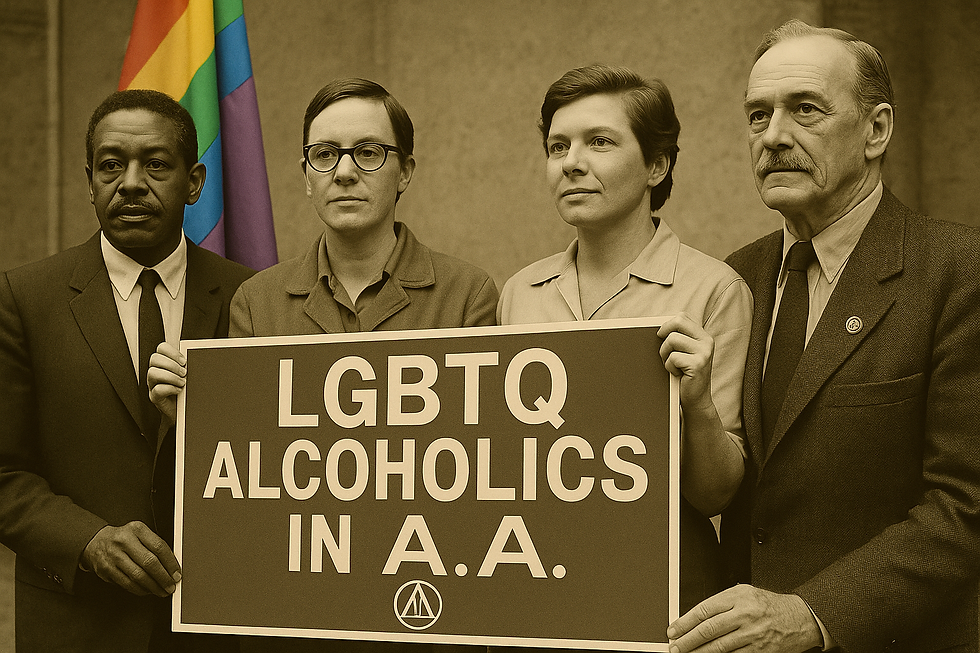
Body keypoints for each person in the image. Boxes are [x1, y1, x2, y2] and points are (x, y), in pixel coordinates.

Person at [150, 78, 497, 652]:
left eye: (368, 152)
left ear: (405, 171)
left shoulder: (468, 295)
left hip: (423, 618)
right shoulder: (256, 303)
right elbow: (242, 475)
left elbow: (484, 472)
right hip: (292, 622)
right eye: (324, 154)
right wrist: (190, 418)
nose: (344, 171)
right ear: (306, 174)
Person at [667, 20, 980, 653]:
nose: (774, 137)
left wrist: (815, 614)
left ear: (877, 130)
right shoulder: (737, 277)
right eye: (758, 116)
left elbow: (965, 503)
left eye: (805, 110)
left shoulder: (956, 270)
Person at [0, 89, 254, 652]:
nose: (132, 182)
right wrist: (88, 540)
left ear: (195, 183)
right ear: (89, 181)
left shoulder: (249, 297)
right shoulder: (25, 297)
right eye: (111, 165)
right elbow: (4, 473)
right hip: (76, 624)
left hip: (214, 626)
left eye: (156, 164)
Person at [497, 64, 753, 614]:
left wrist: (698, 405)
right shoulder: (520, 292)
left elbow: (715, 495)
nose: (572, 163)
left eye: (600, 142)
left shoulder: (713, 290)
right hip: (539, 582)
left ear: (656, 165)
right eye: (557, 146)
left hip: (660, 591)